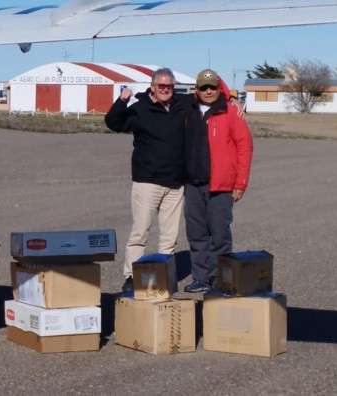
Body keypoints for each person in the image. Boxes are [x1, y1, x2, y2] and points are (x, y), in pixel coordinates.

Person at [104, 68, 186, 293]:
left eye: (169, 86)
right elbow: (113, 122)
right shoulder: (140, 109)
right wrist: (122, 101)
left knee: (169, 237)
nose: (166, 90)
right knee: (140, 232)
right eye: (161, 86)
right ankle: (131, 276)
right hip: (147, 181)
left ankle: (164, 276)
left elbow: (206, 95)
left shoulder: (181, 106)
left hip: (175, 183)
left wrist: (232, 100)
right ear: (152, 86)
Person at [182, 69, 253, 293]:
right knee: (196, 234)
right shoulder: (187, 110)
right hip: (193, 184)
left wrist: (240, 182)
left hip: (220, 186)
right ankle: (201, 279)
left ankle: (221, 281)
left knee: (220, 235)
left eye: (212, 87)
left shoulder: (229, 111)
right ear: (197, 90)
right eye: (204, 87)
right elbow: (162, 94)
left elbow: (245, 146)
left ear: (218, 88)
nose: (209, 91)